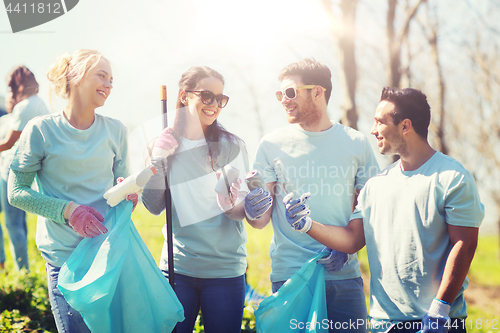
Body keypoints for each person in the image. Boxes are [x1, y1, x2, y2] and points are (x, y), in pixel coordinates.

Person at [304, 87, 484, 333]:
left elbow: (464, 244)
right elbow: (353, 239)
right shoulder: (375, 186)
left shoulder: (452, 177)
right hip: (382, 324)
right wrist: (307, 224)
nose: (372, 129)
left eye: (379, 121)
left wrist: (441, 307)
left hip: (436, 322)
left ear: (405, 126)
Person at [245, 58, 379, 332]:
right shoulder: (271, 144)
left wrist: (346, 245)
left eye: (290, 92)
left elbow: (368, 210)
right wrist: (251, 209)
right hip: (291, 276)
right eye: (280, 94)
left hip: (343, 277)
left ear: (318, 92)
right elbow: (260, 221)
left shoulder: (356, 143)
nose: (284, 100)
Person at [7, 49, 134, 333]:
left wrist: (128, 193)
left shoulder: (116, 131)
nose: (109, 85)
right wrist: (68, 211)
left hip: (107, 256)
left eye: (111, 79)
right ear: (75, 77)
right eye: (102, 76)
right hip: (64, 260)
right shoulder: (40, 130)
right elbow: (16, 191)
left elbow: (121, 182)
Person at [141, 66, 250, 333]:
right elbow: (153, 206)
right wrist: (158, 160)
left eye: (220, 99)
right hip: (177, 269)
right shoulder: (160, 144)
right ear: (183, 96)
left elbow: (241, 211)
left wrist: (231, 204)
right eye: (206, 95)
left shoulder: (232, 146)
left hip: (224, 271)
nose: (214, 104)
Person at [0, 66, 49, 271]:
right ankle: (23, 270)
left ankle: (21, 271)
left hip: (12, 168)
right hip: (29, 168)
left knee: (12, 223)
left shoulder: (24, 106)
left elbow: (9, 143)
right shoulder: (41, 104)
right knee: (19, 222)